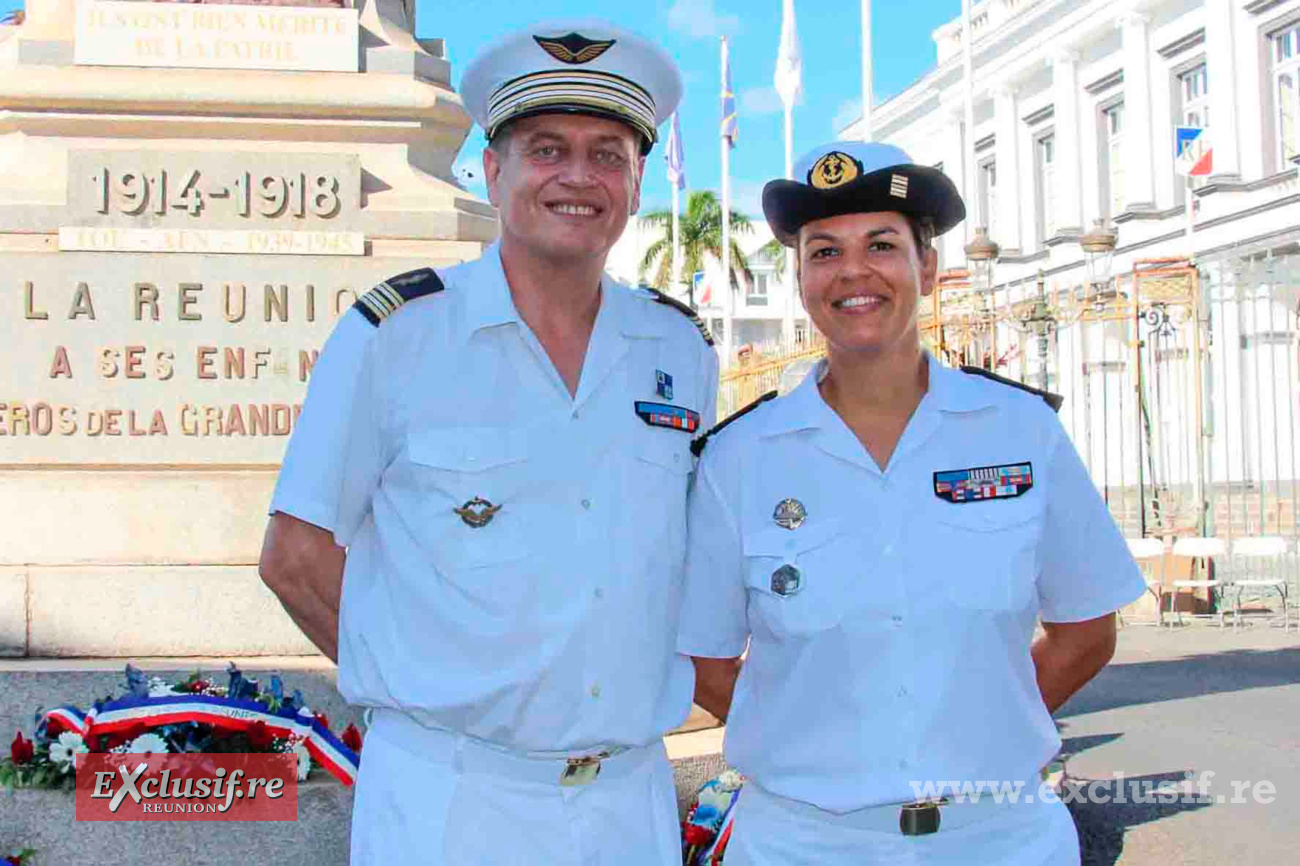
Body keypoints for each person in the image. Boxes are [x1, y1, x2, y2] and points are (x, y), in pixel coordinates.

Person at [259, 20, 719, 865]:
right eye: (547, 149)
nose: (578, 177)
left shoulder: (678, 352)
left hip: (626, 804)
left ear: (637, 182)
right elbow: (295, 552)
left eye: (609, 154)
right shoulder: (398, 335)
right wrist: (420, 685)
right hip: (450, 802)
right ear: (494, 170)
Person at [678, 141, 1145, 865]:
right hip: (802, 844)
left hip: (1002, 840)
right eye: (824, 251)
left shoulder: (1021, 431)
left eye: (882, 245)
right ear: (801, 278)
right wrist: (820, 749)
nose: (853, 271)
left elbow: (1087, 630)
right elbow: (708, 663)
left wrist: (978, 733)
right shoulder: (741, 456)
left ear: (926, 267)